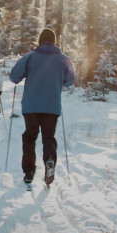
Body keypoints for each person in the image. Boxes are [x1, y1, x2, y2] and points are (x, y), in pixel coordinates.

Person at [9, 29, 76, 187]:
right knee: (48, 138)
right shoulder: (63, 59)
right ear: (54, 41)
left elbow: (14, 77)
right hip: (51, 106)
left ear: (39, 41)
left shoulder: (30, 57)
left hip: (31, 106)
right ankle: (50, 161)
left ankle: (29, 172)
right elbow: (70, 81)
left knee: (30, 137)